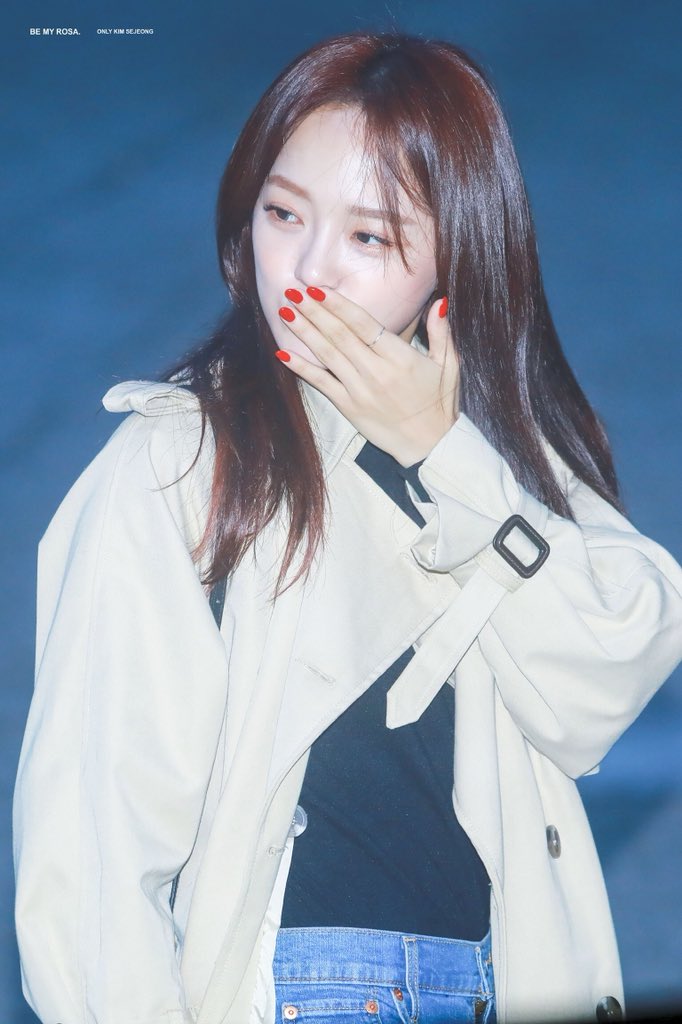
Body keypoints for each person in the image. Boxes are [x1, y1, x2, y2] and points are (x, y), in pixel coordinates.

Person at [12, 29, 682, 1024]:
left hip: (498, 978)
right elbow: (94, 845)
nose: (308, 268)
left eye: (369, 238)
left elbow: (610, 674)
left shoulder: (498, 460)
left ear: (458, 255)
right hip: (303, 987)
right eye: (283, 213)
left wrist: (444, 452)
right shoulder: (180, 457)